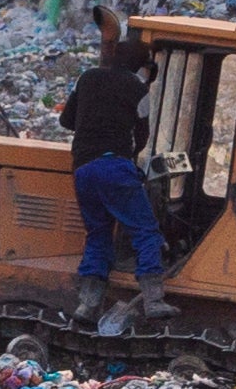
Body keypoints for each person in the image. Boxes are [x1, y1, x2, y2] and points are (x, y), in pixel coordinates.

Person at [59, 16, 168, 309]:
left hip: (83, 169)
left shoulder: (87, 78)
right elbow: (143, 136)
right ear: (141, 66)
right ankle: (154, 300)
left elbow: (66, 120)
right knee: (145, 230)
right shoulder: (139, 90)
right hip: (114, 168)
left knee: (98, 233)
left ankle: (87, 303)